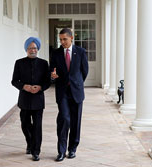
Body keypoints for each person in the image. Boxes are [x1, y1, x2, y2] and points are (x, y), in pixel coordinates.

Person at [50, 28, 89, 162]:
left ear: (71, 38)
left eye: (64, 39)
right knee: (64, 119)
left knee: (75, 121)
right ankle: (61, 151)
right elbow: (52, 70)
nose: (62, 42)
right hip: (62, 92)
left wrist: (76, 83)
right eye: (60, 39)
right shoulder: (55, 53)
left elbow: (84, 71)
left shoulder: (81, 52)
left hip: (76, 92)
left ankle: (72, 149)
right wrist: (53, 75)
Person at [11, 37, 51, 161]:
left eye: (34, 48)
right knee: (25, 124)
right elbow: (14, 81)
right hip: (24, 100)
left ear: (37, 49)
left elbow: (47, 81)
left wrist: (40, 87)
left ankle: (36, 151)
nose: (32, 50)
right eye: (30, 48)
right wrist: (24, 86)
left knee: (37, 126)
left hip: (38, 100)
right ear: (26, 49)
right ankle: (29, 142)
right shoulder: (19, 63)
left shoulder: (44, 63)